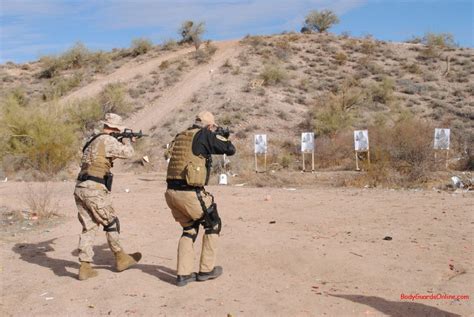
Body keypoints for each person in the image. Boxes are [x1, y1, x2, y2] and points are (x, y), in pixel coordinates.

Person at [165, 111, 236, 286]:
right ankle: (206, 270)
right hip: (190, 194)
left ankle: (183, 275)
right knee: (213, 224)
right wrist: (222, 137)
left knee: (189, 229)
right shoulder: (204, 134)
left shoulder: (181, 136)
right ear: (210, 126)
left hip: (171, 194)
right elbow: (230, 149)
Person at [74, 113, 141, 281]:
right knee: (111, 222)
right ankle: (120, 258)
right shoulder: (108, 140)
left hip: (81, 187)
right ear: (115, 129)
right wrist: (126, 139)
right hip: (94, 188)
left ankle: (85, 266)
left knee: (89, 226)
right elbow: (129, 154)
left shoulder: (93, 140)